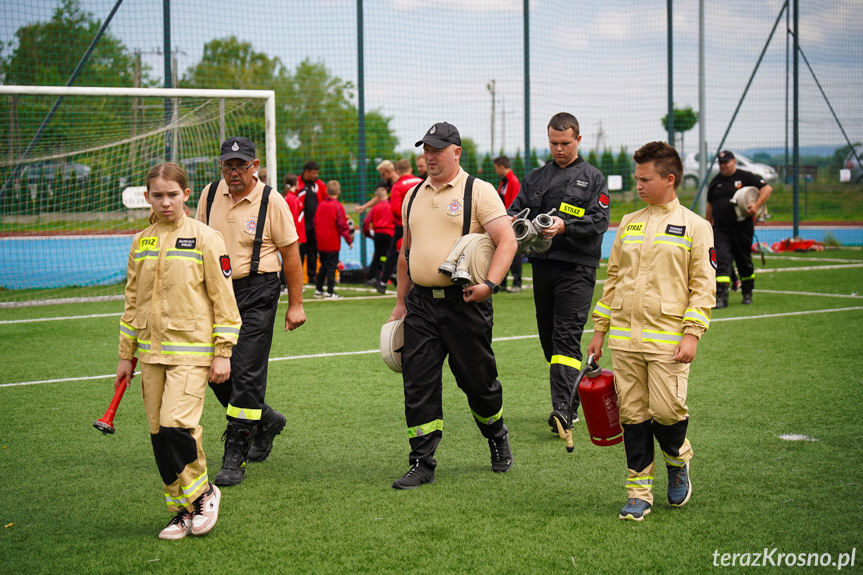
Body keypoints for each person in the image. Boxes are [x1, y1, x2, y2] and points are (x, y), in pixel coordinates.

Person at [587, 141, 715, 521]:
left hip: (669, 342)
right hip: (625, 341)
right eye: (636, 178)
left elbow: (703, 285)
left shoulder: (697, 226)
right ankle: (639, 492)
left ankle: (678, 460)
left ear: (669, 179)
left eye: (645, 178)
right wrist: (600, 330)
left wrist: (692, 332)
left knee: (666, 411)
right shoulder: (628, 222)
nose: (638, 185)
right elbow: (613, 280)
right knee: (634, 416)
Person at [385, 121, 518, 490]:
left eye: (437, 150)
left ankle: (496, 435)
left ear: (456, 152)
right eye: (426, 149)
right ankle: (421, 461)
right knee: (418, 382)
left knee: (478, 383)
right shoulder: (411, 194)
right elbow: (405, 253)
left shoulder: (480, 190)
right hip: (421, 306)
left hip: (465, 304)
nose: (429, 156)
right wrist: (401, 303)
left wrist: (490, 284)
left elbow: (506, 241)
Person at [116, 162, 241, 539]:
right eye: (157, 196)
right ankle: (179, 509)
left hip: (192, 353)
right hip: (151, 356)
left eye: (172, 195)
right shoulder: (142, 241)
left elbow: (225, 300)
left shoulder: (206, 238)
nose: (165, 202)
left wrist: (223, 351)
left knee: (176, 425)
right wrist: (126, 353)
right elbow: (132, 300)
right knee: (158, 434)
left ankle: (203, 494)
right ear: (147, 197)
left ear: (186, 195)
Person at [196, 137, 306, 486]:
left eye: (241, 166)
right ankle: (266, 419)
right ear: (221, 167)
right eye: (228, 166)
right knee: (210, 367)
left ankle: (235, 454)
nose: (234, 172)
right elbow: (196, 241)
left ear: (254, 166)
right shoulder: (209, 195)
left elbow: (290, 254)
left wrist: (296, 304)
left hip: (258, 291)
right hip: (215, 293)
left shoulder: (273, 201)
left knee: (245, 371)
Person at [506, 113, 610, 447]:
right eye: (553, 143)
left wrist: (565, 226)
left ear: (578, 140)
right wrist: (510, 221)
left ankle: (563, 411)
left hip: (577, 268)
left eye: (565, 143)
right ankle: (572, 398)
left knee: (565, 339)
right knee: (550, 341)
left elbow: (600, 220)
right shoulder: (536, 176)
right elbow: (514, 209)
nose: (559, 149)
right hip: (543, 266)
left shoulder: (593, 177)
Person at [706, 150, 772, 308]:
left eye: (726, 162)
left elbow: (767, 189)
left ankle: (747, 291)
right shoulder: (715, 181)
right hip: (721, 230)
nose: (723, 165)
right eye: (720, 163)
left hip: (742, 228)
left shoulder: (746, 177)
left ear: (734, 162)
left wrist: (756, 206)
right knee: (721, 261)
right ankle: (721, 297)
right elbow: (710, 205)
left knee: (744, 262)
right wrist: (707, 227)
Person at [375, 159, 423, 294]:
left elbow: (395, 209)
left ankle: (383, 282)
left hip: (404, 224)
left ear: (397, 171)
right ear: (411, 169)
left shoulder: (398, 186)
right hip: (422, 223)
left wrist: (402, 220)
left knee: (396, 252)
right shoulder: (421, 181)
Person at [314, 180, 353, 299]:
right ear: (339, 192)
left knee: (323, 266)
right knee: (331, 266)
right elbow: (342, 225)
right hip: (332, 241)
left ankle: (319, 289)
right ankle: (330, 291)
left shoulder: (320, 205)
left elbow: (315, 221)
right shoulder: (337, 206)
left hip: (321, 241)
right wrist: (349, 240)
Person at [292, 161, 328, 283]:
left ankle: (312, 276)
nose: (315, 175)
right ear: (306, 172)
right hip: (301, 225)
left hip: (315, 224)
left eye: (317, 173)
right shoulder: (296, 183)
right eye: (314, 173)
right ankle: (298, 276)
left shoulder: (319, 184)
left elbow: (326, 199)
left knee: (313, 250)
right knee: (300, 251)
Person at [493, 155, 523, 292]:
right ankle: (503, 282)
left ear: (501, 166)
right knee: (501, 251)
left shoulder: (513, 181)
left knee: (514, 252)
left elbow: (516, 203)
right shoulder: (504, 181)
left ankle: (517, 283)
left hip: (511, 222)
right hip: (503, 221)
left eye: (496, 168)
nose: (495, 171)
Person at [362, 186, 395, 288]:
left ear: (376, 197)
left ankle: (370, 278)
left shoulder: (375, 208)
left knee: (377, 256)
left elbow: (366, 222)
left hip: (378, 234)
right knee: (389, 256)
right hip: (390, 234)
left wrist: (368, 234)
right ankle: (388, 275)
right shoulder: (391, 206)